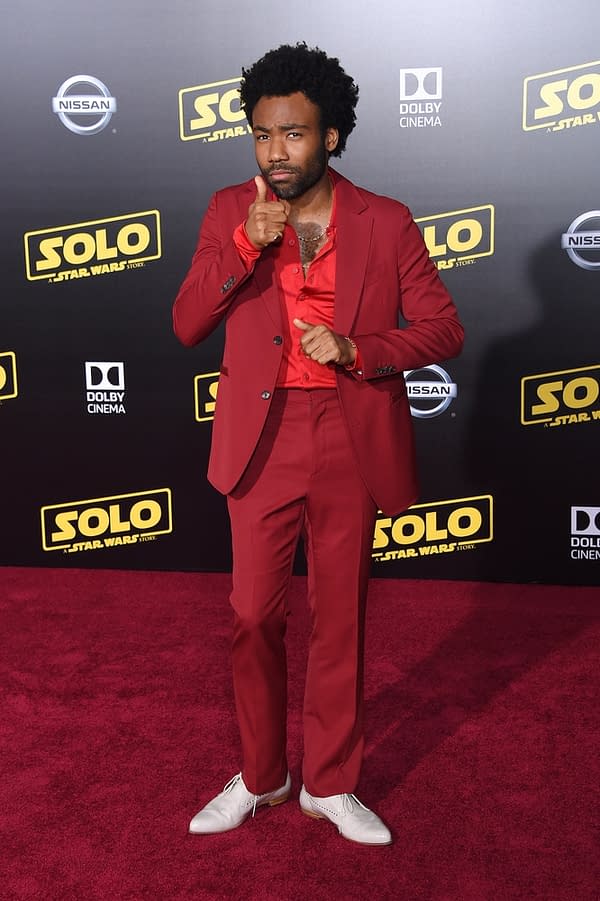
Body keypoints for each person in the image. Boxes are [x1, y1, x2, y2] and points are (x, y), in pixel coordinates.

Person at [173, 42, 464, 846]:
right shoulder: (231, 208)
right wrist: (242, 247)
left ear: (330, 135)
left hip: (349, 432)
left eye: (294, 135)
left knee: (341, 617)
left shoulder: (387, 219)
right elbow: (187, 322)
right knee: (250, 615)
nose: (276, 153)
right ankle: (264, 778)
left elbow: (444, 327)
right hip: (260, 438)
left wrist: (361, 348)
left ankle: (330, 783)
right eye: (263, 135)